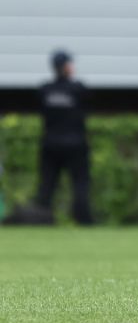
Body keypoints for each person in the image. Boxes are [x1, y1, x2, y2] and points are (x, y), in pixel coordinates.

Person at [36, 50, 93, 225]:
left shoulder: (45, 90)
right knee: (80, 184)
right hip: (76, 144)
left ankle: (41, 219)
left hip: (50, 143)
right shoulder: (78, 89)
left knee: (47, 184)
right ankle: (83, 221)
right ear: (66, 66)